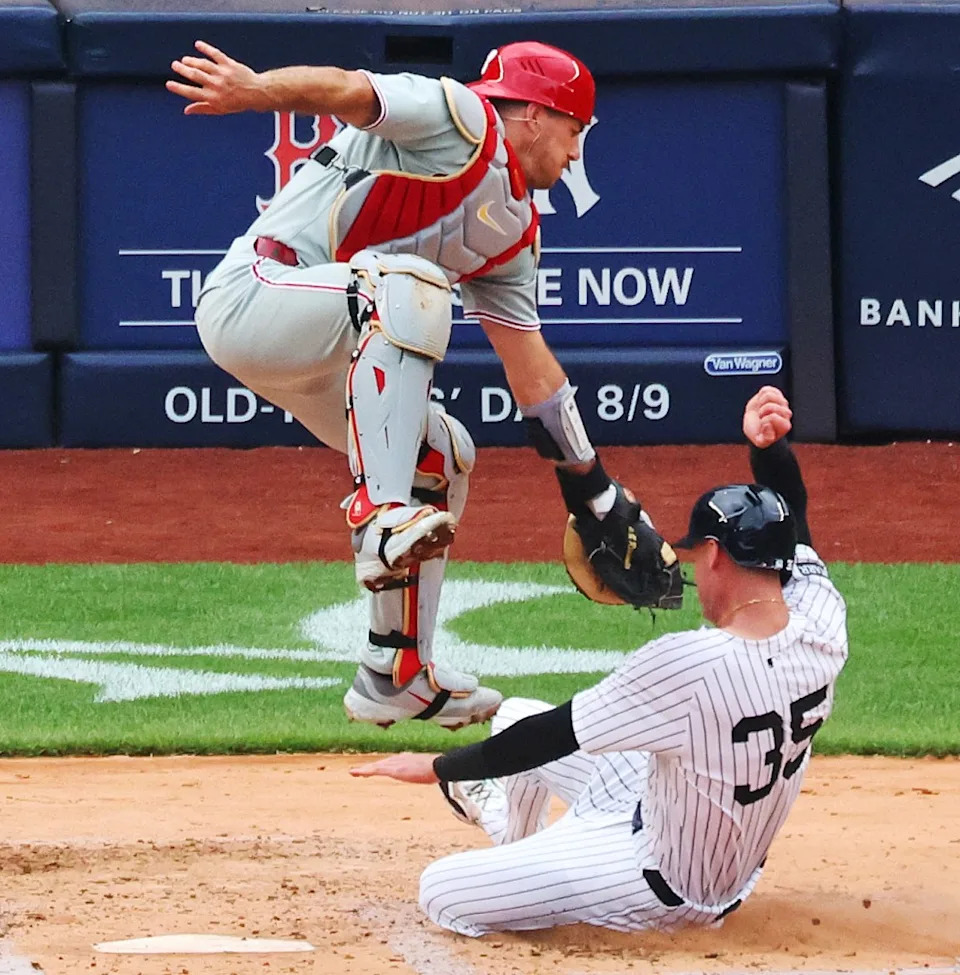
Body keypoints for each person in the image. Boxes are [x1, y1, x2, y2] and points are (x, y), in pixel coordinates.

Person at [167, 40, 638, 730]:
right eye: (575, 132)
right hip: (256, 297)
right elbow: (345, 87)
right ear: (534, 114)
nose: (575, 155)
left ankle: (395, 671)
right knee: (407, 284)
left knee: (443, 451)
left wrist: (592, 487)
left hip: (332, 343)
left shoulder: (512, 230)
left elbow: (530, 365)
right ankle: (380, 512)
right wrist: (256, 88)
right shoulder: (460, 118)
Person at [350, 386, 849, 936]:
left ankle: (517, 842)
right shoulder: (822, 621)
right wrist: (770, 453)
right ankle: (524, 856)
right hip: (700, 842)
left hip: (661, 887)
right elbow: (794, 523)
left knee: (441, 891)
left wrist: (438, 768)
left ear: (713, 553)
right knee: (513, 712)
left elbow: (555, 735)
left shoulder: (690, 665)